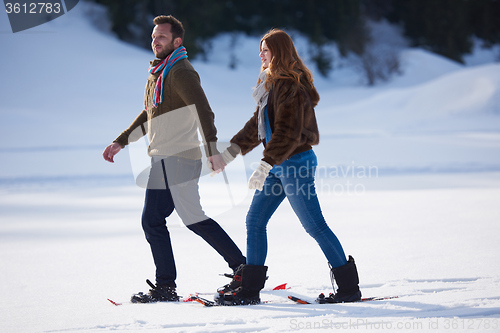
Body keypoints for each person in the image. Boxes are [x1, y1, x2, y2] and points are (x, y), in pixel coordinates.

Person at [210, 29, 361, 305]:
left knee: (314, 225)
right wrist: (228, 153)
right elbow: (257, 126)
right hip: (278, 164)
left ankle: (349, 288)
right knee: (254, 221)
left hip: (294, 163)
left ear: (278, 52)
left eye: (265, 49)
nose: (260, 55)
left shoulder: (292, 86)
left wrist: (265, 164)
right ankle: (250, 290)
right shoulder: (271, 84)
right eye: (260, 50)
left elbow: (287, 133)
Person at [103, 15, 245, 303]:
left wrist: (212, 150)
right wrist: (122, 140)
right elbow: (149, 113)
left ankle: (168, 285)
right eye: (154, 36)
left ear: (177, 41)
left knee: (154, 220)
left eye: (162, 37)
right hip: (165, 157)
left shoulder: (180, 72)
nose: (155, 41)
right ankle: (241, 267)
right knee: (188, 219)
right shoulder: (158, 72)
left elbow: (203, 111)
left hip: (178, 157)